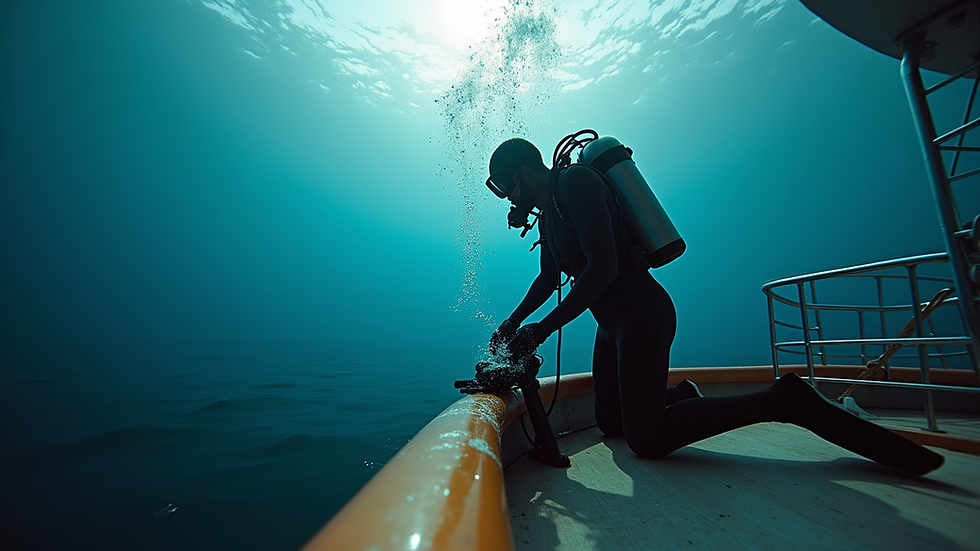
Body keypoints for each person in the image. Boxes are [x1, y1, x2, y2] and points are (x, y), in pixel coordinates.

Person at [484, 136, 944, 476]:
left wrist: (541, 330)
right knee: (610, 423)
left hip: (642, 314)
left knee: (647, 440)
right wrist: (514, 321)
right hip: (610, 326)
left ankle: (786, 400)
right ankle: (681, 395)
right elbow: (548, 278)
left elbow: (602, 267)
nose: (507, 198)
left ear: (518, 171)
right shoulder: (549, 217)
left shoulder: (577, 183)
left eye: (504, 186)